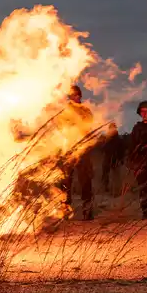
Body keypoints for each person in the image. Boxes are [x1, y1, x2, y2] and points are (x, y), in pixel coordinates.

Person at [61, 85, 95, 220]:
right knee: (65, 183)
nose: (75, 97)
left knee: (85, 181)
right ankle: (64, 213)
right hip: (69, 149)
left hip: (83, 150)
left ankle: (88, 212)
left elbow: (88, 126)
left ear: (80, 96)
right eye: (72, 95)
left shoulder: (86, 110)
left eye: (77, 95)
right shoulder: (65, 111)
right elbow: (61, 127)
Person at [101, 122, 125, 194]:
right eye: (111, 128)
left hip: (115, 159)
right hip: (107, 158)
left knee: (116, 176)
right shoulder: (107, 138)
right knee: (105, 174)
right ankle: (105, 188)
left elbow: (122, 150)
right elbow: (103, 148)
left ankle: (117, 191)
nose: (112, 129)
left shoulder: (118, 139)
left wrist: (120, 159)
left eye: (113, 128)